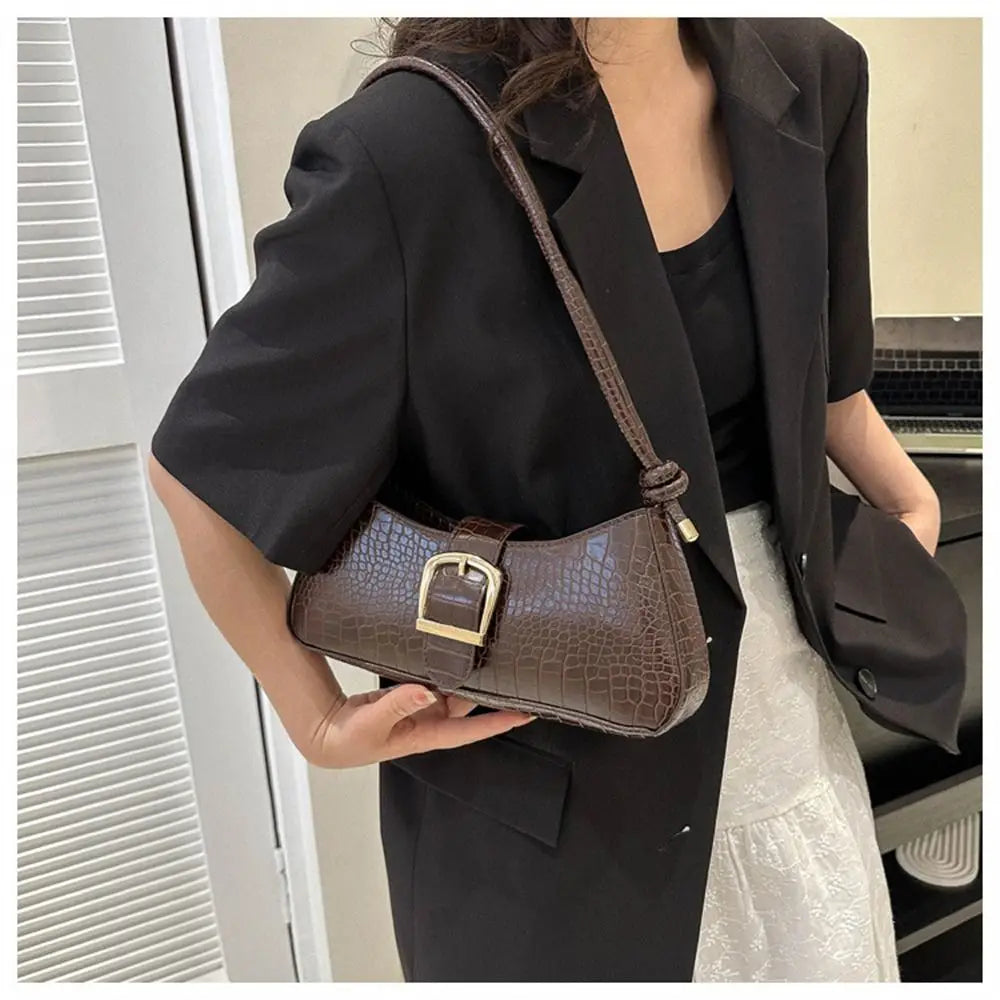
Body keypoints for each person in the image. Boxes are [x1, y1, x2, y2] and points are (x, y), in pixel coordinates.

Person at [149, 17, 942, 982]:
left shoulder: (810, 74)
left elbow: (824, 379)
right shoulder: (408, 149)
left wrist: (912, 511)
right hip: (551, 811)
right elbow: (203, 470)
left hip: (787, 735)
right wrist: (311, 717)